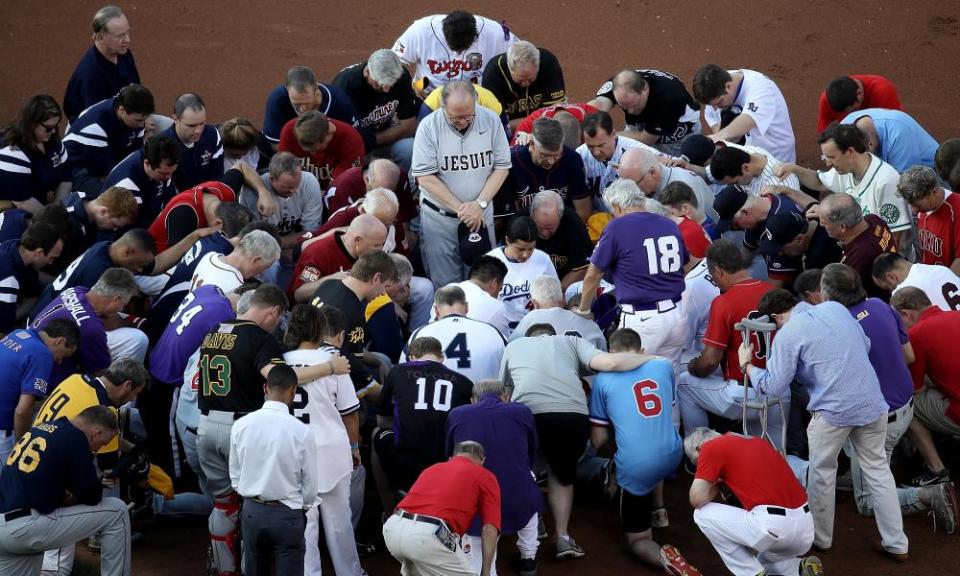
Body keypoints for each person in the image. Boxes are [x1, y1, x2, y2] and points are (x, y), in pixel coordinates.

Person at [741, 288, 910, 560]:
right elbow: (864, 345)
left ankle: (821, 540)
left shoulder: (787, 333)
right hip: (872, 402)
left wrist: (748, 366)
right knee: (878, 472)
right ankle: (897, 544)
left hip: (833, 413)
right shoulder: (835, 308)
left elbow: (772, 386)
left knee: (822, 473)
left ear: (775, 316)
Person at [195, 284, 348, 576]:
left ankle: (223, 567)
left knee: (223, 503)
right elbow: (282, 378)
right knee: (252, 501)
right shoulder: (259, 338)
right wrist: (329, 368)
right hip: (239, 428)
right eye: (279, 318)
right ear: (273, 311)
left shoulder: (214, 330)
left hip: (206, 426)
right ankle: (246, 566)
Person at [500, 323, 658, 559]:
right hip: (570, 415)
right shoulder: (569, 341)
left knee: (526, 470)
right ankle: (563, 537)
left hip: (528, 413)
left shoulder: (514, 345)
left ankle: (535, 522)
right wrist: (655, 359)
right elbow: (610, 363)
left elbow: (504, 392)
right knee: (561, 477)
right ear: (553, 335)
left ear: (530, 336)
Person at [820, 263, 958, 528]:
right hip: (903, 410)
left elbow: (913, 383)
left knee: (867, 499)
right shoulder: (950, 314)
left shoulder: (915, 332)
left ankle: (933, 481)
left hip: (879, 415)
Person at [591, 329, 701, 575]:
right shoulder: (661, 368)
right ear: (641, 352)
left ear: (611, 353)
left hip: (638, 465)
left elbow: (599, 439)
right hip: (673, 452)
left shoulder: (602, 380)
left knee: (637, 541)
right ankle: (659, 509)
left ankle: (665, 560)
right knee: (652, 441)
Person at [32, 357, 150, 575]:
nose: (133, 398)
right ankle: (99, 534)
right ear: (127, 385)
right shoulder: (103, 407)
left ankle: (99, 531)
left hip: (30, 461)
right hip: (48, 483)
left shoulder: (76, 380)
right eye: (136, 392)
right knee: (56, 563)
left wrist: (132, 450)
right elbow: (109, 466)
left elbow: (102, 438)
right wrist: (130, 468)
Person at [282, 305, 365, 576]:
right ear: (319, 329)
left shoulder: (278, 361)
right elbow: (350, 414)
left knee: (305, 523)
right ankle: (349, 572)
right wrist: (354, 449)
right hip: (330, 450)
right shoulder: (335, 362)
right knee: (339, 521)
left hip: (292, 450)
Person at [0, 406, 130, 576]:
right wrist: (100, 483)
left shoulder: (42, 428)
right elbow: (91, 497)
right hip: (26, 529)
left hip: (5, 529)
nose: (98, 449)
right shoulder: (76, 438)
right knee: (117, 511)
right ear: (96, 433)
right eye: (102, 443)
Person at [678, 240, 784, 444]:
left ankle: (701, 455)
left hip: (745, 395)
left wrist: (694, 368)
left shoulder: (724, 301)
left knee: (684, 382)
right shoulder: (773, 292)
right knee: (775, 455)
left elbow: (709, 362)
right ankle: (804, 470)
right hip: (780, 390)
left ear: (717, 271)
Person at [575, 179, 688, 364]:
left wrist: (584, 309)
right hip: (676, 314)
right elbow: (683, 263)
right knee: (668, 379)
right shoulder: (668, 224)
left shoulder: (617, 227)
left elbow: (593, 274)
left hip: (643, 317)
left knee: (633, 380)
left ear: (617, 206)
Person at [412, 81, 511, 287]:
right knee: (446, 286)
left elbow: (501, 167)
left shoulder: (491, 120)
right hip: (440, 219)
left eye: (468, 115)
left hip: (480, 216)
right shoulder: (429, 126)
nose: (463, 121)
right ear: (443, 107)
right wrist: (463, 209)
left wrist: (479, 205)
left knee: (482, 282)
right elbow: (425, 177)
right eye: (455, 117)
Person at [684, 428, 822, 576]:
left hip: (775, 526)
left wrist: (717, 481)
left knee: (702, 514)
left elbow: (696, 499)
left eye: (696, 461)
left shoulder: (711, 447)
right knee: (762, 559)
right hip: (805, 530)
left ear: (699, 448)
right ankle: (799, 568)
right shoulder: (757, 441)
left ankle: (751, 573)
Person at [229, 364, 319, 576]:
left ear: (265, 388)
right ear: (293, 391)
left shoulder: (241, 426)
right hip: (288, 514)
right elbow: (310, 486)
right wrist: (301, 506)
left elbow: (235, 476)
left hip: (253, 512)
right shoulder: (302, 432)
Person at [446, 379, 542, 576]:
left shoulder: (457, 413)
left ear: (473, 400)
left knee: (479, 558)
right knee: (529, 489)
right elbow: (533, 451)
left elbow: (449, 457)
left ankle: (484, 569)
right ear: (505, 397)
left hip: (476, 500)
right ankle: (528, 559)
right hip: (517, 494)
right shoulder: (521, 411)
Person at [775, 123, 912, 252]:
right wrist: (794, 169)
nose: (828, 163)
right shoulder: (845, 169)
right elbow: (819, 181)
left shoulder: (886, 181)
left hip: (879, 259)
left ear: (850, 152)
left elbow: (894, 238)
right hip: (856, 248)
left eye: (832, 157)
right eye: (825, 157)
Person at [382, 441, 501, 576]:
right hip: (427, 536)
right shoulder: (484, 475)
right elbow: (489, 529)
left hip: (393, 528)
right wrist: (486, 572)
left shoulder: (432, 468)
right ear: (482, 461)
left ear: (452, 458)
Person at [375, 336, 473, 500]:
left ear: (411, 358)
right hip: (446, 461)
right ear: (441, 357)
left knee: (379, 434)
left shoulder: (398, 371)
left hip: (407, 462)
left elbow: (382, 419)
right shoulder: (464, 382)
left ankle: (391, 505)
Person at [33, 228, 202, 316]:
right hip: (49, 320)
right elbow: (97, 315)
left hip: (59, 305)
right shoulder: (98, 270)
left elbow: (157, 265)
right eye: (139, 265)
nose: (140, 270)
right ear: (128, 252)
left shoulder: (109, 248)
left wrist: (194, 236)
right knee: (137, 339)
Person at [890, 287, 960, 481]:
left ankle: (936, 470)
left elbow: (914, 388)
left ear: (906, 314)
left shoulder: (917, 333)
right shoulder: (955, 314)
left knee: (904, 403)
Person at [31, 268, 144, 386]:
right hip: (45, 382)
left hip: (29, 351)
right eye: (123, 304)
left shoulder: (75, 290)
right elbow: (103, 372)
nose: (121, 309)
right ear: (116, 299)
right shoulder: (91, 328)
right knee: (138, 339)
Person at [0, 320, 79, 466]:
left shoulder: (18, 334)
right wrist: (22, 446)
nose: (60, 361)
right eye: (65, 355)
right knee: (9, 484)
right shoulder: (42, 355)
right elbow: (23, 411)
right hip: (2, 430)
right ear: (60, 341)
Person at [392, 10, 519, 95]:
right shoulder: (421, 31)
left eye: (462, 48)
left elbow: (522, 55)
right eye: (454, 48)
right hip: (428, 95)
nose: (458, 52)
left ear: (475, 35)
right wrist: (408, 92)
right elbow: (392, 61)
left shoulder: (495, 33)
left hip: (476, 100)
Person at [332, 49, 420, 169]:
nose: (386, 90)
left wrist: (372, 140)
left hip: (382, 139)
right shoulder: (345, 87)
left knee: (410, 149)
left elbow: (408, 126)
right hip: (355, 148)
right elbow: (343, 138)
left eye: (391, 83)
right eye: (380, 84)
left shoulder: (401, 76)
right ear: (367, 72)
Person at [692, 64, 796, 163]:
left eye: (719, 103)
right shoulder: (717, 88)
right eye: (711, 105)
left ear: (728, 86)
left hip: (776, 155)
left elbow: (748, 120)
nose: (715, 109)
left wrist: (718, 137)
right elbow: (716, 123)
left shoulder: (761, 89)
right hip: (748, 155)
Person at [63, 84, 154, 191]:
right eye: (138, 120)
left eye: (144, 120)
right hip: (78, 170)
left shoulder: (133, 117)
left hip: (109, 157)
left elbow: (135, 155)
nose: (141, 125)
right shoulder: (95, 127)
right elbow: (104, 174)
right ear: (121, 110)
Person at [406, 286, 507, 383]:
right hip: (483, 397)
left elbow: (404, 372)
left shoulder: (420, 333)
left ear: (436, 311)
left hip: (439, 398)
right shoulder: (492, 332)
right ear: (466, 307)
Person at [590, 68, 700, 155]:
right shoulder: (618, 84)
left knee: (664, 169)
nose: (630, 112)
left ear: (644, 88)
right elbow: (598, 105)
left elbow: (646, 138)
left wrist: (609, 136)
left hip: (676, 135)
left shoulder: (668, 100)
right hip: (646, 124)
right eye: (624, 106)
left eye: (633, 105)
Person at [575, 110, 659, 221]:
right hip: (599, 221)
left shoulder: (634, 150)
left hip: (635, 219)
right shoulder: (580, 154)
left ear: (613, 134)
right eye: (590, 146)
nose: (596, 152)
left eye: (601, 145)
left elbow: (670, 164)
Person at [63, 5, 140, 122]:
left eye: (127, 33)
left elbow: (136, 88)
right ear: (100, 37)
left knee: (167, 125)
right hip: (93, 129)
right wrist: (139, 126)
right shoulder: (91, 74)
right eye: (120, 36)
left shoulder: (123, 53)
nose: (127, 40)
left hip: (127, 116)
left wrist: (144, 116)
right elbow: (99, 120)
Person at [497, 117, 587, 217]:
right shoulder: (511, 160)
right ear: (532, 144)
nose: (550, 161)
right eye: (545, 155)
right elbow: (510, 216)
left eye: (556, 155)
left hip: (563, 224)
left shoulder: (572, 159)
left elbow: (583, 211)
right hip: (526, 225)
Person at [260, 65, 357, 154]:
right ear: (287, 89)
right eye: (297, 104)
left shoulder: (338, 99)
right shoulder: (278, 99)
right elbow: (274, 144)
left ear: (316, 89)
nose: (303, 109)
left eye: (307, 103)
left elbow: (354, 137)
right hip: (295, 158)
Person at [239, 152, 324, 251]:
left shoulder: (309, 182)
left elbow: (312, 232)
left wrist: (283, 243)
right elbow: (252, 238)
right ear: (272, 179)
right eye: (287, 187)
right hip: (262, 249)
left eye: (297, 185)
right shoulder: (251, 192)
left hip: (294, 244)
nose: (293, 191)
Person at [291, 214, 387, 301]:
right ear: (358, 240)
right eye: (376, 245)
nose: (381, 250)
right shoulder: (319, 253)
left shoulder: (367, 255)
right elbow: (299, 293)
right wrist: (330, 281)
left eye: (382, 244)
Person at [818, 192, 897, 298]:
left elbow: (845, 292)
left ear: (842, 227)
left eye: (824, 222)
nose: (821, 224)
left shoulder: (861, 253)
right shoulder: (873, 219)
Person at [485, 216, 558, 330]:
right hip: (502, 328)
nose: (526, 254)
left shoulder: (543, 259)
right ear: (508, 241)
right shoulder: (489, 261)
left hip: (536, 327)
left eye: (531, 249)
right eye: (520, 249)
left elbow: (555, 298)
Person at [0, 95, 71, 212]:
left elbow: (66, 177)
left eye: (56, 126)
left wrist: (58, 207)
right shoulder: (12, 152)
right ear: (32, 125)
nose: (53, 132)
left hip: (38, 202)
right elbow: (23, 202)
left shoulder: (52, 141)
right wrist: (54, 221)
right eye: (48, 128)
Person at [99, 134, 180, 228]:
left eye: (172, 172)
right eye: (164, 173)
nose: (169, 177)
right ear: (147, 163)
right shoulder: (127, 186)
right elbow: (136, 227)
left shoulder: (154, 159)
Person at [617, 146, 716, 221]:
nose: (632, 191)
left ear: (652, 173)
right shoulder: (653, 176)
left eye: (635, 184)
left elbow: (695, 233)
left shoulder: (682, 189)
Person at [481, 41, 566, 128]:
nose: (525, 83)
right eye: (520, 80)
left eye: (530, 79)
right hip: (509, 133)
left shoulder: (548, 63)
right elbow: (498, 126)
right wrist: (538, 121)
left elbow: (557, 110)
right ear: (510, 69)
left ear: (537, 67)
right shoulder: (493, 75)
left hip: (544, 129)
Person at [278, 110, 365, 192]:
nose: (312, 154)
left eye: (315, 149)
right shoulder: (289, 131)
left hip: (331, 197)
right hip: (298, 192)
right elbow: (283, 173)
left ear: (328, 135)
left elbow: (339, 189)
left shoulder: (351, 142)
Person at [0, 222, 63, 334]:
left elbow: (33, 293)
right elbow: (4, 326)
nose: (50, 263)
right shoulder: (9, 280)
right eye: (52, 257)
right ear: (39, 253)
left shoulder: (14, 246)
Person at [511, 276, 606, 350]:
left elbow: (509, 348)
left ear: (534, 304)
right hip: (584, 374)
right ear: (564, 299)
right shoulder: (588, 322)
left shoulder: (529, 320)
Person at [522, 189, 592, 289]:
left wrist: (557, 292)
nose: (545, 234)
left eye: (551, 228)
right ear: (531, 215)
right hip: (528, 286)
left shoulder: (574, 224)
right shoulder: (519, 224)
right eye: (540, 227)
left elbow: (583, 268)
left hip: (565, 283)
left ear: (560, 216)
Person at [897, 166, 960, 273]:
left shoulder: (956, 209)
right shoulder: (924, 209)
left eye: (917, 205)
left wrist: (941, 286)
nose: (914, 211)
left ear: (934, 190)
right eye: (911, 205)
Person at [841, 107, 938, 173]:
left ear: (869, 144)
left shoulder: (898, 135)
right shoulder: (843, 129)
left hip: (930, 172)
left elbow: (906, 184)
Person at [160, 93, 224, 190]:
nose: (198, 130)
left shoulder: (212, 134)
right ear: (176, 119)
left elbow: (217, 176)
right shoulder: (161, 146)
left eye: (202, 123)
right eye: (191, 126)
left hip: (209, 194)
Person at [190, 229, 281, 294]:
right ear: (256, 260)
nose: (261, 273)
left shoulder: (210, 256)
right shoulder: (235, 288)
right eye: (265, 267)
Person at [442, 256, 510, 337]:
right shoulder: (496, 306)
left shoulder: (446, 290)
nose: (498, 294)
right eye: (500, 288)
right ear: (494, 282)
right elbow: (504, 342)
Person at [61, 185, 139, 255]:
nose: (115, 229)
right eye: (114, 225)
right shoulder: (71, 226)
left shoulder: (80, 195)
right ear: (104, 212)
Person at [872, 252, 960, 311]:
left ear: (891, 277)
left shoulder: (902, 295)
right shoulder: (941, 269)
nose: (891, 291)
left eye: (887, 287)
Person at [707, 143, 800, 197]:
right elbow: (705, 173)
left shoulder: (782, 182)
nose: (734, 187)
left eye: (735, 182)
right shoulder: (739, 157)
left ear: (746, 168)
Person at [817, 74, 901, 133]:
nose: (851, 116)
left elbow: (896, 128)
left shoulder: (883, 91)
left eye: (854, 110)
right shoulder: (826, 99)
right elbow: (826, 135)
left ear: (859, 94)